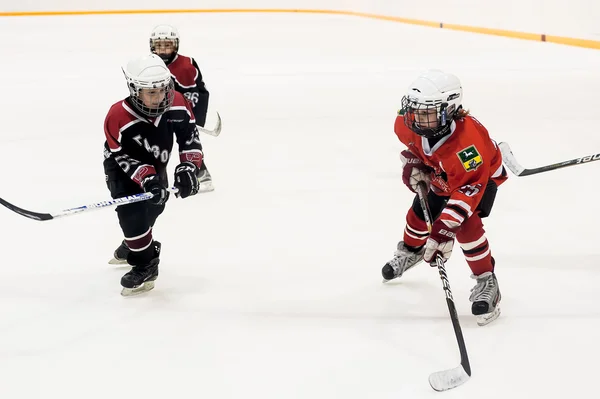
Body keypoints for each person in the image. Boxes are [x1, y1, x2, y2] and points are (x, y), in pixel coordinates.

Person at [381, 70, 508, 326]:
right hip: (446, 171)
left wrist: (443, 231)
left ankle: (487, 281)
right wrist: (414, 164)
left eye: (426, 113)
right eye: (414, 110)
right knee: (419, 212)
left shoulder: (467, 145)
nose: (416, 118)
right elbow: (416, 149)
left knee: (467, 226)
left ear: (449, 109)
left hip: (479, 177)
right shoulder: (408, 123)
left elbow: (469, 188)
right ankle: (411, 251)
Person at [103, 54, 203, 296]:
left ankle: (134, 243)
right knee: (131, 212)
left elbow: (190, 139)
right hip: (121, 167)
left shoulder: (177, 103)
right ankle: (146, 263)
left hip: (158, 163)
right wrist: (145, 177)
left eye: (163, 89)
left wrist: (189, 167)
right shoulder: (117, 115)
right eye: (151, 92)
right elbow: (120, 155)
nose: (160, 97)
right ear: (134, 90)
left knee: (155, 207)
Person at [149, 24, 213, 192]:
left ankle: (201, 175)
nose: (163, 50)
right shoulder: (149, 64)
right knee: (156, 145)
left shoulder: (186, 65)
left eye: (167, 44)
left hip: (183, 113)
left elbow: (198, 94)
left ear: (175, 45)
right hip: (160, 113)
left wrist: (196, 118)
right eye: (159, 45)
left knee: (187, 143)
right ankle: (154, 179)